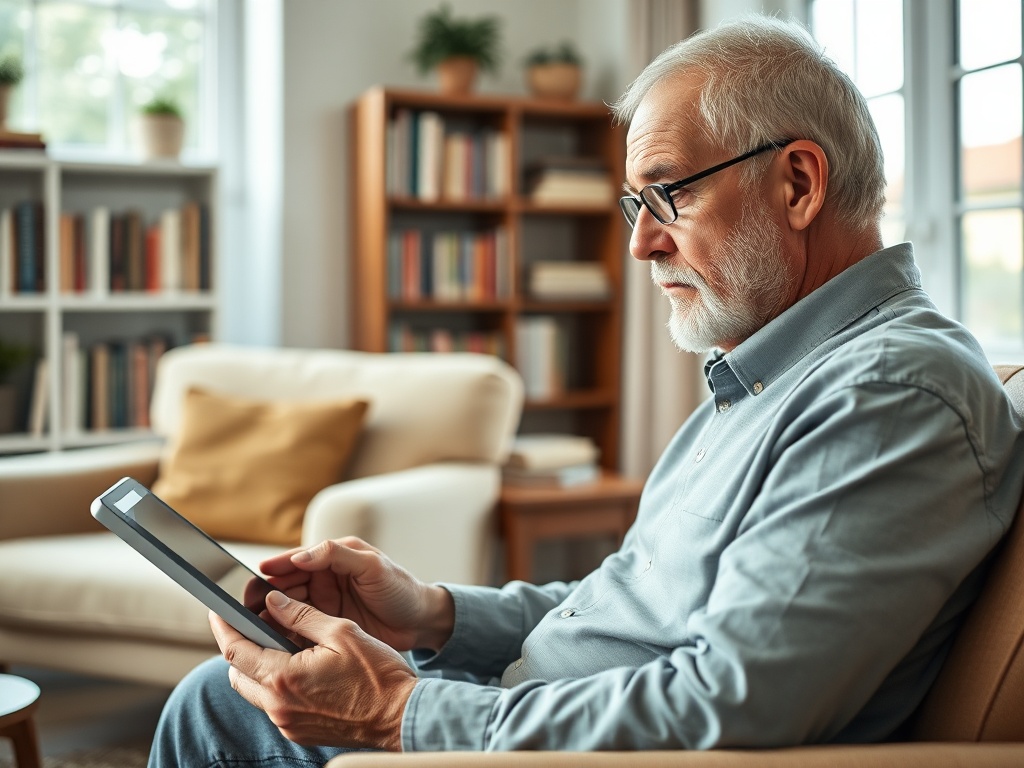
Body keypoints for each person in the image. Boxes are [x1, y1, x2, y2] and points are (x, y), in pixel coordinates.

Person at [149, 14, 1024, 765]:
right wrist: (432, 614)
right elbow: (627, 606)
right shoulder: (773, 373)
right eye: (632, 205)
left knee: (218, 709)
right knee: (230, 687)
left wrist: (399, 710)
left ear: (798, 182)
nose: (642, 244)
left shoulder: (891, 393)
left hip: (592, 750)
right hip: (550, 710)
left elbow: (734, 704)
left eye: (668, 195)